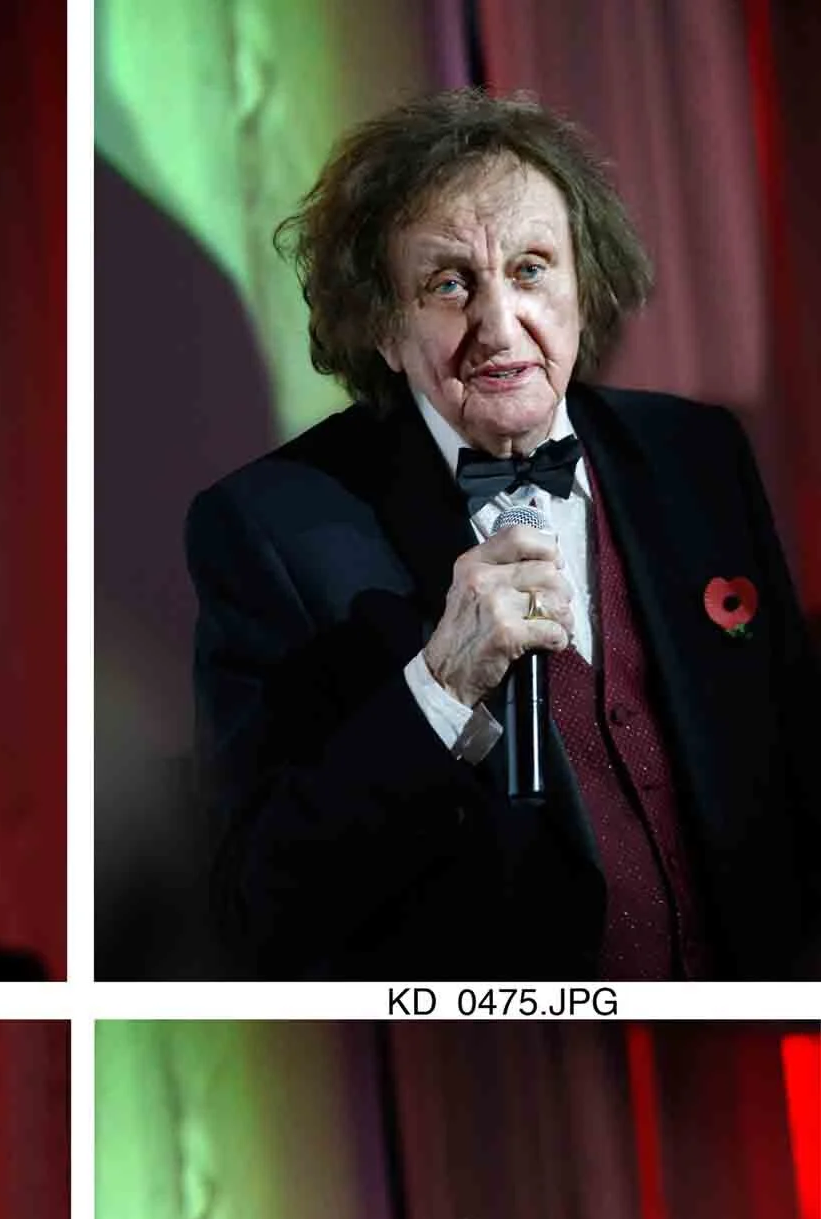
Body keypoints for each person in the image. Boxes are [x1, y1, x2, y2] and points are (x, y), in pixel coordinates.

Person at [190, 89, 820, 979]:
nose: (498, 327)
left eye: (530, 270)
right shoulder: (270, 530)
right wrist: (439, 689)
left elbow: (795, 762)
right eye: (450, 285)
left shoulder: (695, 453)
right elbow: (261, 909)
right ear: (384, 325)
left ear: (581, 285)